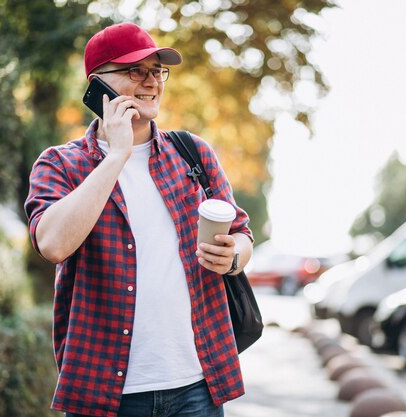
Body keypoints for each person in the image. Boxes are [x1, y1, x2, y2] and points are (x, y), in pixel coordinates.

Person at [24, 22, 254, 417]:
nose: (151, 82)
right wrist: (117, 155)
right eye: (135, 71)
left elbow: (242, 235)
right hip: (104, 394)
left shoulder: (192, 153)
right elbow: (53, 244)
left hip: (197, 386)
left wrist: (234, 255)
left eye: (157, 70)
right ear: (98, 85)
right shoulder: (60, 163)